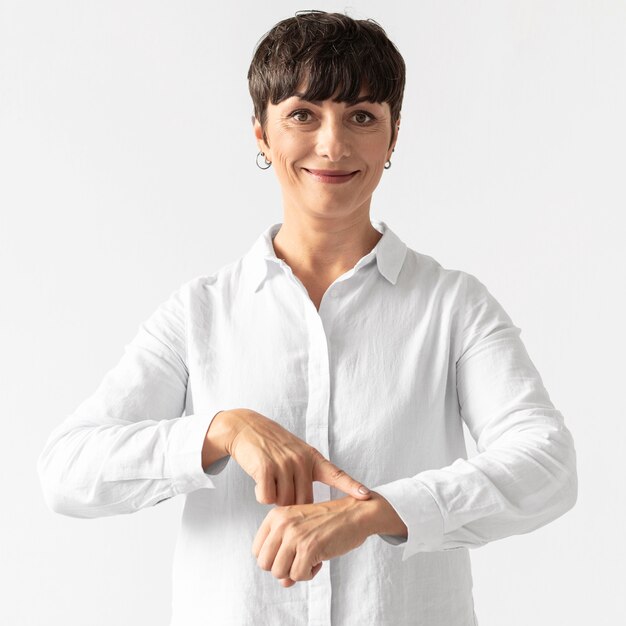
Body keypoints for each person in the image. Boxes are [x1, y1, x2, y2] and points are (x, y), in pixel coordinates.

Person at [37, 10, 578, 626]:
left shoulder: (453, 305)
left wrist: (380, 510)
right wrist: (223, 430)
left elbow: (548, 463)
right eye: (303, 114)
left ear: (393, 137)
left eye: (362, 117)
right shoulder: (201, 313)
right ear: (261, 135)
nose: (333, 144)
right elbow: (67, 470)